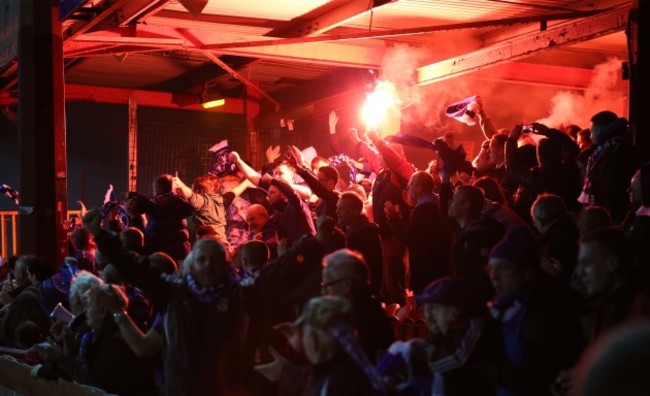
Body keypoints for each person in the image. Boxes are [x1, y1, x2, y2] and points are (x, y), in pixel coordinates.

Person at [82, 208, 247, 396]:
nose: (208, 265)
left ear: (226, 263)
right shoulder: (174, 294)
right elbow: (136, 268)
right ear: (192, 264)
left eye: (215, 259)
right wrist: (100, 235)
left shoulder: (241, 295)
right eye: (202, 259)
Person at [377, 277, 499, 396]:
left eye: (435, 308)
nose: (430, 315)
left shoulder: (474, 328)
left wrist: (412, 353)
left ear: (454, 311)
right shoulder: (441, 331)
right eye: (427, 308)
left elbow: (453, 361)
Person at [385, 170, 453, 294]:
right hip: (439, 267)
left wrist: (394, 219)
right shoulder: (436, 204)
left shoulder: (424, 210)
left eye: (410, 185)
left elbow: (409, 237)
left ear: (419, 188)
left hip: (427, 270)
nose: (408, 188)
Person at [320, 249, 394, 363]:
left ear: (347, 285)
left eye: (327, 285)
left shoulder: (356, 321)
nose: (323, 292)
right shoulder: (370, 310)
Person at [579, 111, 640, 224]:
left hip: (611, 215)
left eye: (592, 131)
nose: (591, 136)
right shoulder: (608, 149)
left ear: (602, 130)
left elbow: (612, 190)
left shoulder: (613, 153)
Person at [127, 174, 195, 261]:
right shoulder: (180, 201)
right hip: (182, 252)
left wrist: (137, 198)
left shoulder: (159, 203)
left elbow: (150, 208)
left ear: (156, 189)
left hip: (161, 254)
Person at [336, 192, 383, 298]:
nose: (337, 212)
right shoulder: (340, 230)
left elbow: (374, 268)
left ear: (355, 211)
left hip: (362, 294)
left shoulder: (368, 233)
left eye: (342, 209)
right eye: (337, 208)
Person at [173, 173, 227, 242]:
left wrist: (180, 184)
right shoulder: (221, 201)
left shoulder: (203, 201)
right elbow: (233, 193)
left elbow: (191, 195)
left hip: (206, 244)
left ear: (198, 190)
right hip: (221, 242)